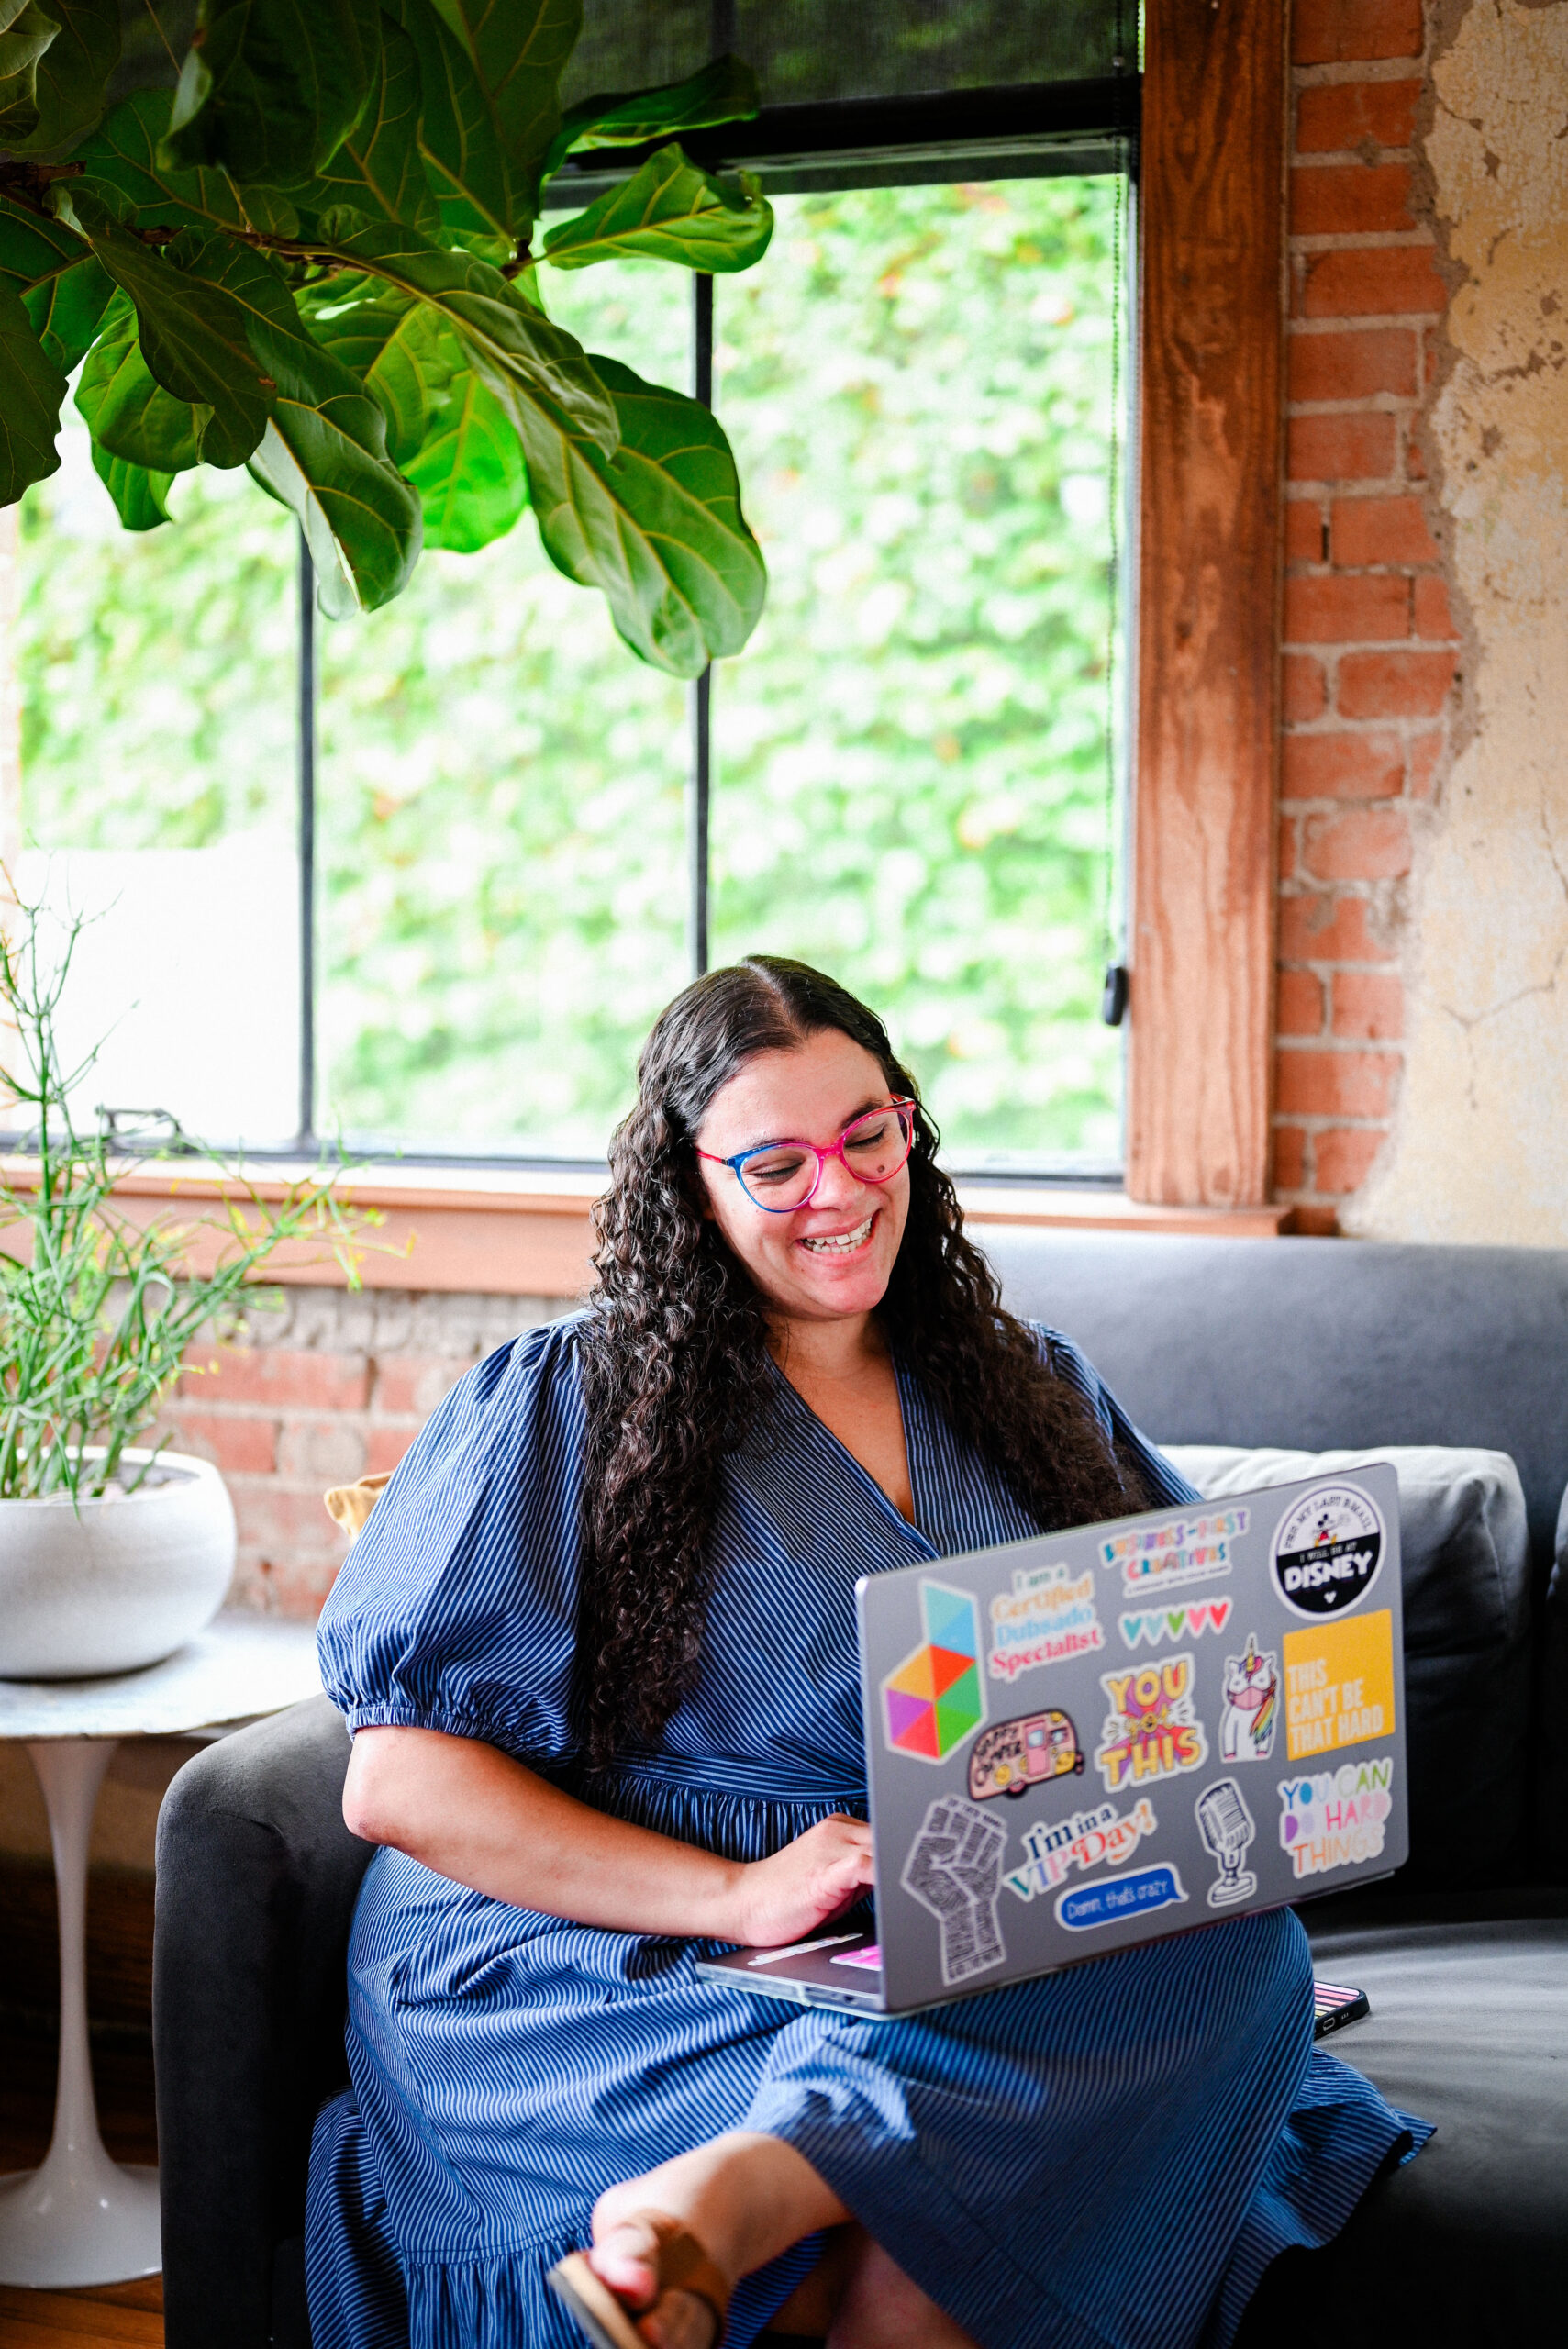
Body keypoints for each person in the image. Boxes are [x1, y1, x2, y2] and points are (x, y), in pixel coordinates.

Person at [306, 957, 1429, 2349]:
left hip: (941, 1917)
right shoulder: (562, 1400)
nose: (835, 1192)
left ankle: (747, 2194)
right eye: (773, 1163)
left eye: (863, 1137)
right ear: (689, 1182)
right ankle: (768, 2211)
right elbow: (397, 1789)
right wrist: (734, 1894)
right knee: (945, 2189)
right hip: (597, 1951)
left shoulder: (1032, 1390)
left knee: (1236, 1945)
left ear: (910, 1132)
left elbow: (1200, 1667)